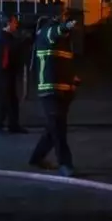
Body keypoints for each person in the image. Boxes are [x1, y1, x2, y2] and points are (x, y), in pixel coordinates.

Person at [28, 13, 80, 176]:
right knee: (58, 128)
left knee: (53, 128)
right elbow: (56, 31)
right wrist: (68, 25)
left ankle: (37, 158)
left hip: (62, 90)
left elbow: (65, 64)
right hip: (50, 90)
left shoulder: (64, 42)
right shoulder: (47, 33)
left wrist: (73, 82)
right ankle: (65, 164)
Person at [0, 14, 28, 135]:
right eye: (14, 22)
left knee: (10, 98)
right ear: (8, 24)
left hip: (6, 72)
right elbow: (9, 54)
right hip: (4, 73)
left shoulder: (5, 38)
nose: (16, 25)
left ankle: (12, 124)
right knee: (4, 98)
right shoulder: (5, 39)